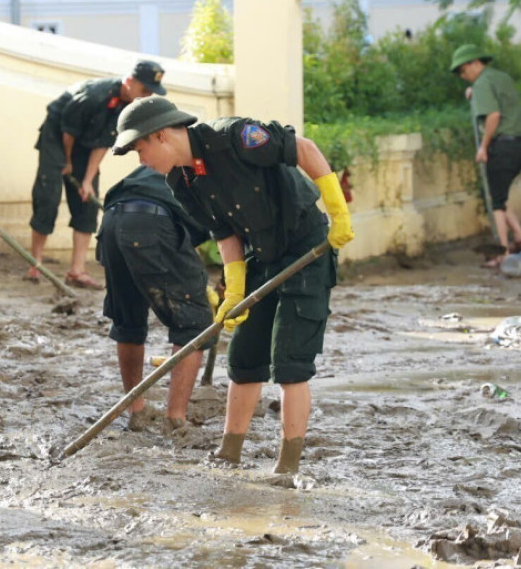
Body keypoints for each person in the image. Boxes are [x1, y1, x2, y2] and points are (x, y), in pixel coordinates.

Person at [113, 96, 355, 473]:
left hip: (306, 248)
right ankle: (228, 452)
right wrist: (236, 288)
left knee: (290, 361)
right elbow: (224, 233)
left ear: (160, 136)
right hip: (262, 255)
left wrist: (338, 212)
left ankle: (287, 467)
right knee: (243, 358)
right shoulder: (181, 180)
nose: (140, 160)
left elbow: (305, 149)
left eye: (139, 149)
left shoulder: (235, 137)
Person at [27, 60, 167, 289]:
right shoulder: (94, 96)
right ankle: (35, 264)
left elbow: (103, 143)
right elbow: (68, 130)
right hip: (58, 136)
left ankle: (77, 271)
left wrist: (87, 180)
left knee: (87, 201)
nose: (147, 95)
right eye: (144, 89)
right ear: (129, 81)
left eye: (151, 92)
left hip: (86, 143)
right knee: (48, 196)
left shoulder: (128, 108)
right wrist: (67, 161)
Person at [97, 165, 215, 433]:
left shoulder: (174, 158)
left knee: (127, 320)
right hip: (153, 222)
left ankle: (136, 410)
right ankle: (175, 419)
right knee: (194, 322)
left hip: (112, 220)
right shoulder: (228, 171)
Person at [450, 44, 521, 267]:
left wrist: (483, 147)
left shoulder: (482, 83)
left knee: (495, 200)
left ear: (475, 63)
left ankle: (502, 253)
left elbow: (493, 115)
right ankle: (520, 238)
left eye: (463, 70)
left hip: (503, 145)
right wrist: (474, 94)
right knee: (496, 193)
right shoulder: (499, 77)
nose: (463, 76)